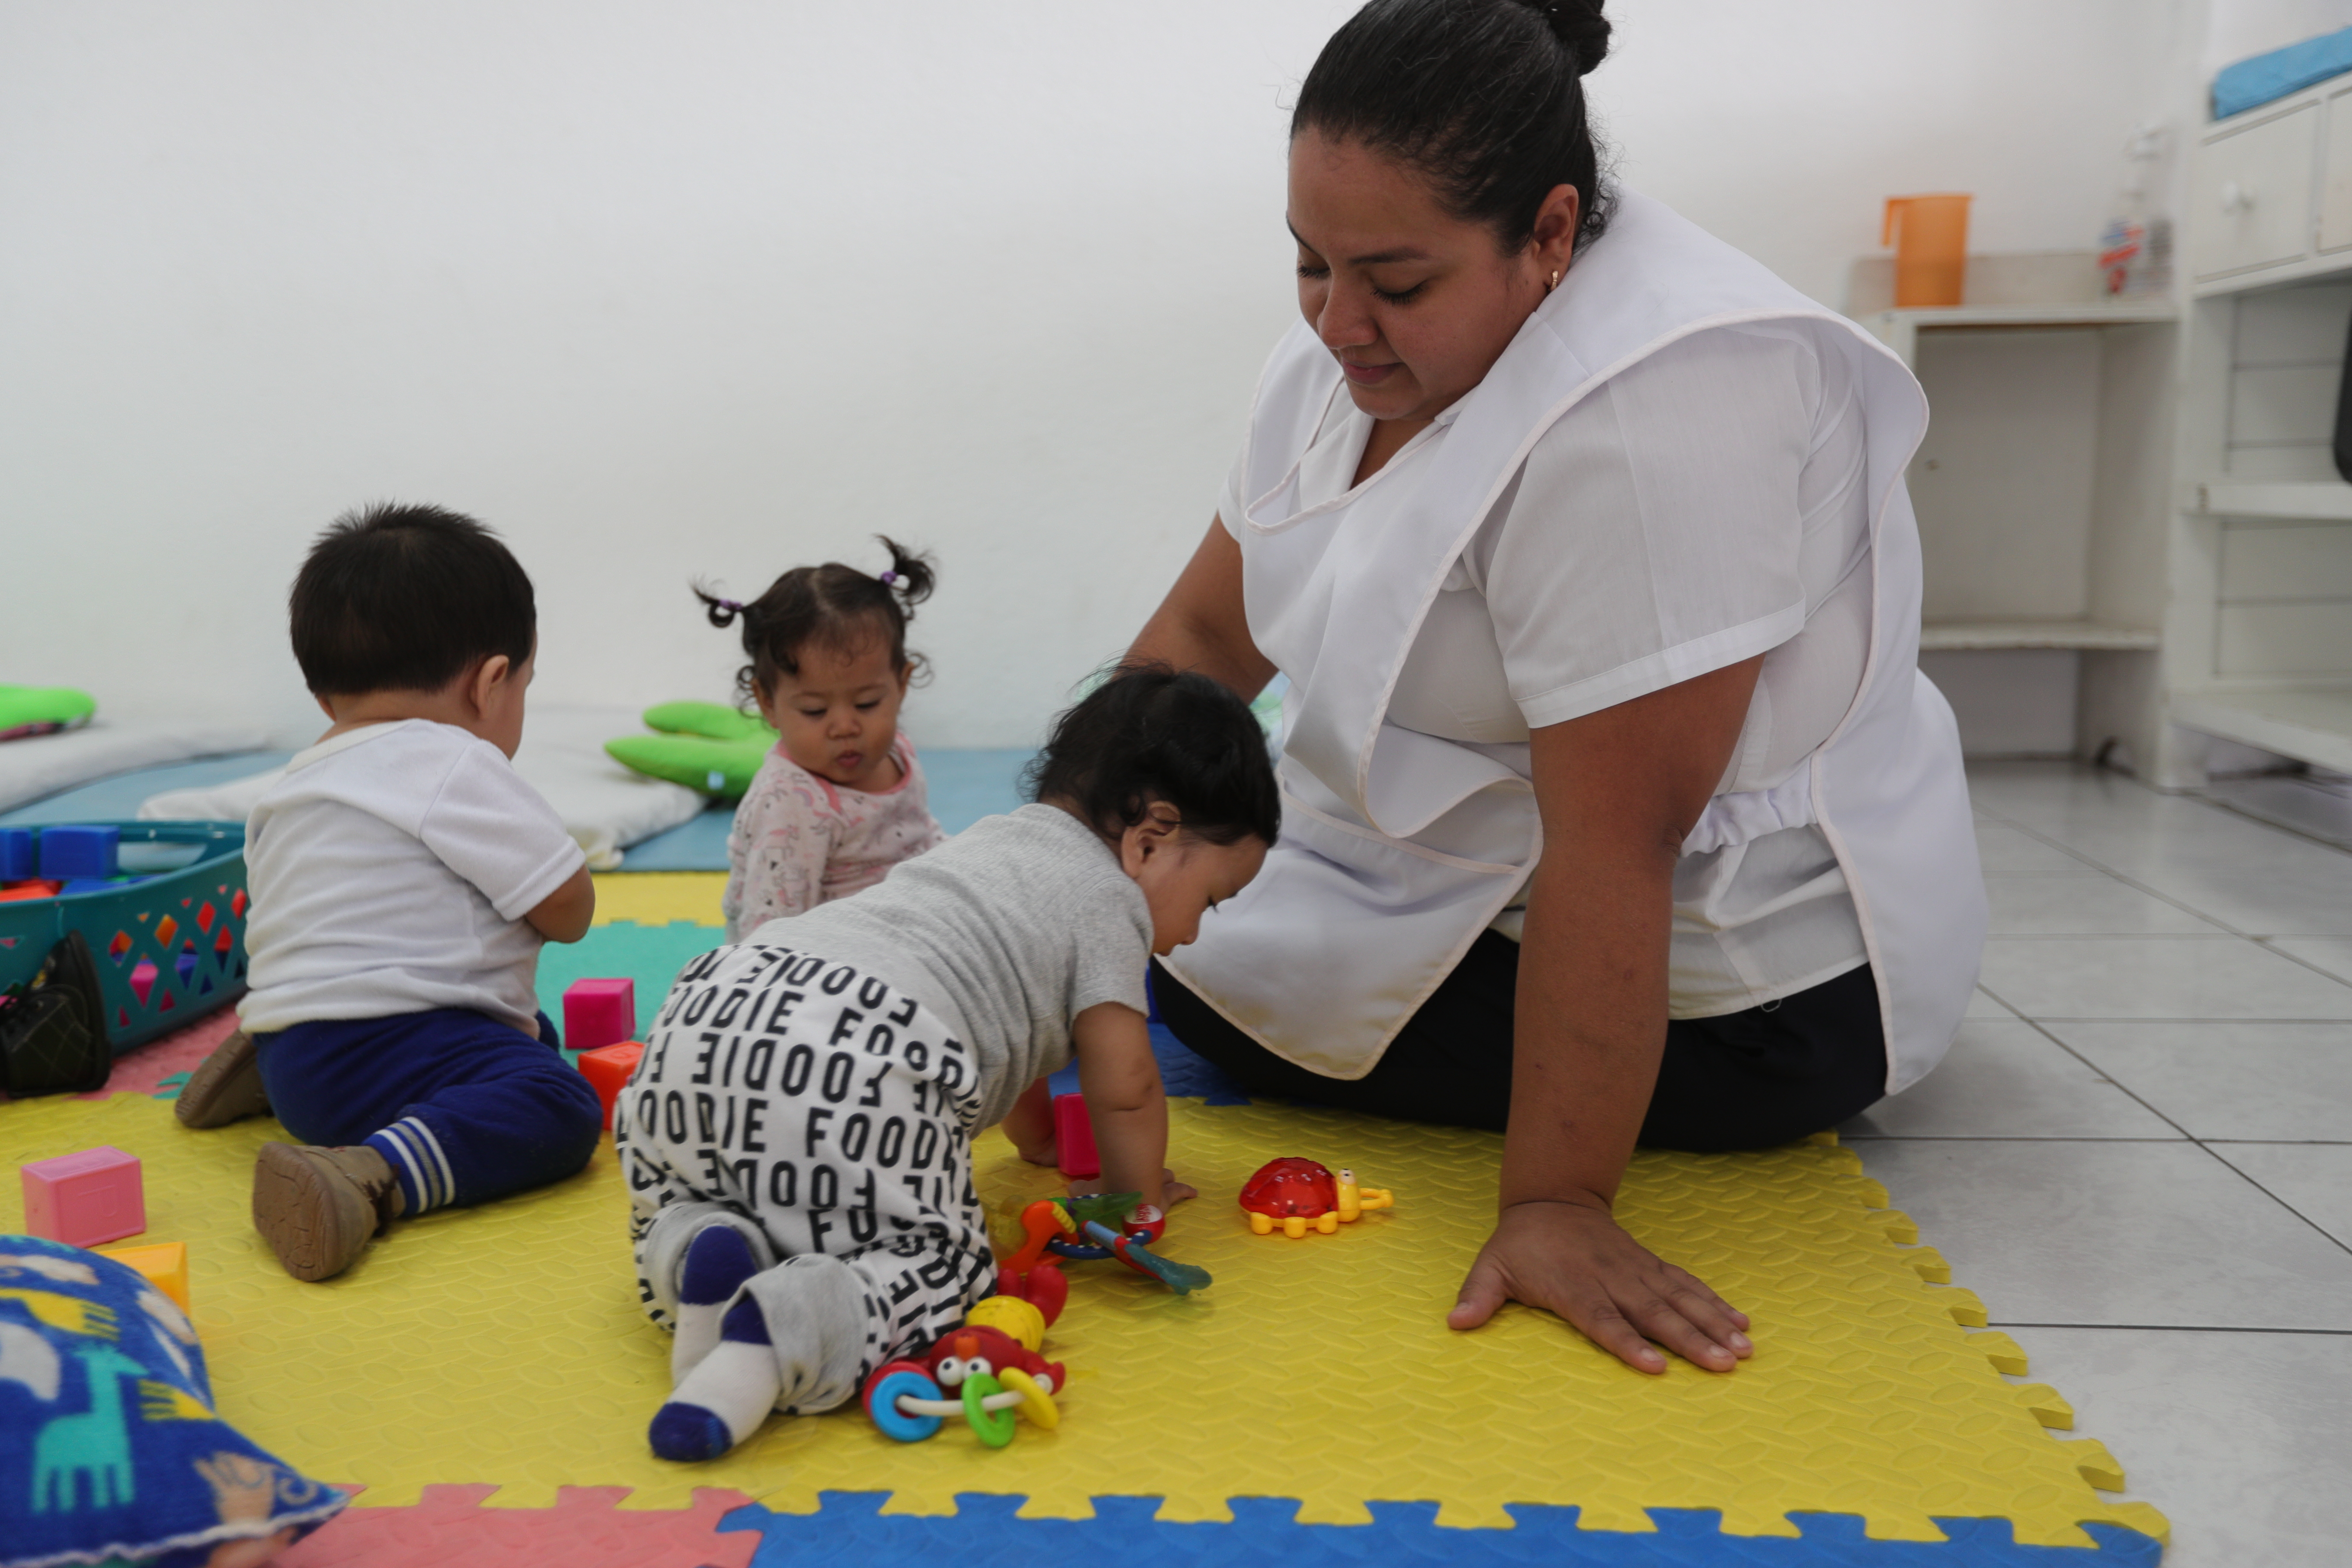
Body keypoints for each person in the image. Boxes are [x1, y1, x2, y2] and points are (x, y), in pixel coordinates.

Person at [1132, 0, 1986, 1377]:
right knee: (1150, 926)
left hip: (1744, 989)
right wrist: (1047, 874)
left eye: (1393, 283)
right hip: (1478, 871)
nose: (1339, 321)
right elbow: (1201, 639)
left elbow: (1618, 840)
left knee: (1192, 971)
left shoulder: (1660, 415)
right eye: (1309, 263)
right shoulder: (1346, 349)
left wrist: (1556, 1203)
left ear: (1548, 232)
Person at [619, 665, 1274, 1462]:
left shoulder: (986, 841)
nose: (1197, 933)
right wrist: (1139, 1198)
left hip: (712, 1006)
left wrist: (1034, 1143)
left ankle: (701, 1240)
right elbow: (1126, 1085)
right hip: (859, 1047)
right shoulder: (1109, 901)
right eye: (1209, 900)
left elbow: (1019, 1027)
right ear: (1150, 837)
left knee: (690, 1183)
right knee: (946, 1269)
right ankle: (777, 1334)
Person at [185, 503, 603, 1283]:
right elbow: (570, 910)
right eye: (525, 688)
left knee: (525, 1030)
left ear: (325, 697)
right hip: (392, 1049)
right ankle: (372, 1176)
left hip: (297, 1047)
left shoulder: (292, 783)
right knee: (559, 1102)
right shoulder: (454, 761)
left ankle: (266, 1073)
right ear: (490, 683)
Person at [698, 538, 949, 942]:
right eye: (815, 711)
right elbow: (769, 933)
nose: (845, 727)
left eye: (868, 703)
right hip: (821, 967)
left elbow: (920, 835)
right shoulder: (792, 802)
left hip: (902, 934)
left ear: (901, 685)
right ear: (768, 703)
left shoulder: (897, 751)